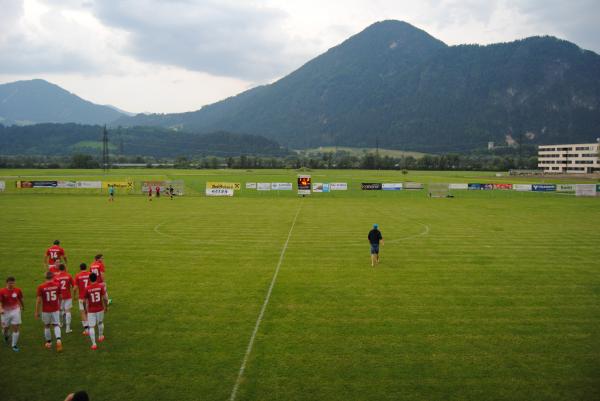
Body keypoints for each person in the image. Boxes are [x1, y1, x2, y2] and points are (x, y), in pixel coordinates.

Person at [35, 271, 63, 352]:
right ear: (53, 277)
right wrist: (59, 305)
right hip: (55, 309)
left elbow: (39, 301)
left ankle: (49, 342)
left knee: (47, 325)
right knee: (56, 325)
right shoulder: (57, 285)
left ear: (45, 277)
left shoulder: (41, 287)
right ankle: (58, 340)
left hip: (46, 310)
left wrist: (37, 311)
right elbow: (61, 297)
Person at [83, 273, 108, 350]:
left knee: (91, 326)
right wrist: (106, 306)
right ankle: (100, 336)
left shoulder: (87, 288)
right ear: (96, 278)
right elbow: (105, 298)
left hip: (91, 310)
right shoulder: (100, 287)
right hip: (100, 308)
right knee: (100, 322)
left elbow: (84, 301)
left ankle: (94, 344)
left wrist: (85, 309)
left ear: (90, 279)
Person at [0, 276, 24, 352]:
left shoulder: (18, 290)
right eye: (10, 283)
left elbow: (20, 298)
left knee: (16, 327)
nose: (11, 284)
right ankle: (6, 336)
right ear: (6, 283)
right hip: (5, 312)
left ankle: (14, 345)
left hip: (15, 311)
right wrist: (0, 309)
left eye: (13, 283)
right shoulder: (2, 291)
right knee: (5, 329)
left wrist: (22, 306)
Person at [54, 264, 75, 333]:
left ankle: (61, 323)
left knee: (60, 310)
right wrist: (73, 294)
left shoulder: (56, 277)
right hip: (68, 296)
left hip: (59, 296)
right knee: (68, 311)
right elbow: (74, 286)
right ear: (65, 268)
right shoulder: (68, 276)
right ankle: (68, 328)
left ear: (59, 269)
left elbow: (54, 287)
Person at [74, 263, 91, 335]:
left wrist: (74, 295)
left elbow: (75, 288)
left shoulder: (78, 276)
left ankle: (86, 329)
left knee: (83, 312)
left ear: (80, 268)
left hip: (82, 297)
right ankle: (91, 326)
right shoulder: (90, 274)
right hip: (90, 295)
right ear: (86, 267)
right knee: (89, 311)